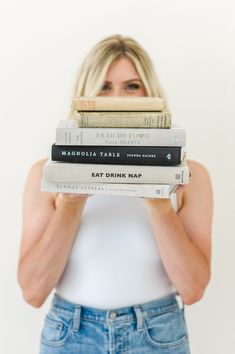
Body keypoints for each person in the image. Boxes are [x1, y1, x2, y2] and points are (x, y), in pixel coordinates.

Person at [17, 34, 213, 354]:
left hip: (156, 334)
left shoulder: (189, 176)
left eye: (132, 86)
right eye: (104, 87)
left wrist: (158, 201)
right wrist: (70, 203)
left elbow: (192, 290)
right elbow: (33, 292)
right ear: (85, 97)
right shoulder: (47, 175)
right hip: (71, 334)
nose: (117, 99)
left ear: (151, 94)